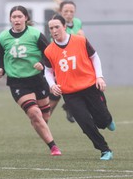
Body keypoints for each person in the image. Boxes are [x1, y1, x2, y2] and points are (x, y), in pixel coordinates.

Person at [0, 5, 61, 156]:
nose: (16, 19)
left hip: (37, 79)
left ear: (26, 18)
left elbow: (49, 53)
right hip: (17, 82)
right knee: (34, 113)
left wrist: (42, 64)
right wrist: (0, 68)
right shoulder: (4, 37)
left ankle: (40, 126)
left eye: (19, 16)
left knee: (45, 116)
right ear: (10, 19)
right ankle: (53, 147)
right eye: (14, 17)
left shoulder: (35, 34)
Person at [44, 14, 115, 160]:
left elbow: (94, 56)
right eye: (51, 28)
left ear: (64, 26)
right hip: (70, 93)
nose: (54, 30)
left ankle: (107, 120)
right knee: (85, 123)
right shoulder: (49, 50)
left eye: (57, 27)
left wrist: (99, 76)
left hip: (89, 87)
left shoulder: (80, 41)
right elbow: (47, 70)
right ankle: (105, 150)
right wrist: (52, 85)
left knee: (101, 120)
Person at [49, 0, 85, 123]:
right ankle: (43, 120)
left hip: (74, 64)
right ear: (60, 11)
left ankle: (70, 107)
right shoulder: (56, 23)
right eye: (66, 11)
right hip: (60, 64)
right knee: (54, 96)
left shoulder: (77, 22)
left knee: (81, 90)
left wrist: (82, 37)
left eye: (72, 11)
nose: (69, 14)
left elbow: (81, 43)